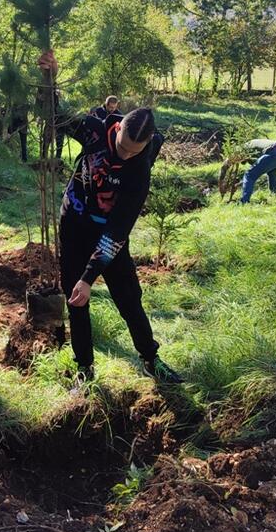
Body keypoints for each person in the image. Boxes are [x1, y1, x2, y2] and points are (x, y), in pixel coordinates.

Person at [60, 106, 184, 386]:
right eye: (122, 147)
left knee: (129, 298)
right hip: (74, 226)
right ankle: (85, 369)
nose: (125, 155)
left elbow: (118, 230)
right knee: (76, 298)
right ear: (117, 130)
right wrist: (49, 78)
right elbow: (57, 115)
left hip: (109, 234)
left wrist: (90, 276)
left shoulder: (140, 169)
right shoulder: (94, 131)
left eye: (134, 151)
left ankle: (151, 360)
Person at [237, 139, 276, 204]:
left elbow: (255, 168)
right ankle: (273, 196)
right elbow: (259, 164)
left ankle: (244, 201)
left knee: (249, 175)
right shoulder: (255, 143)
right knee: (271, 172)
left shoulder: (246, 147)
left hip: (274, 152)